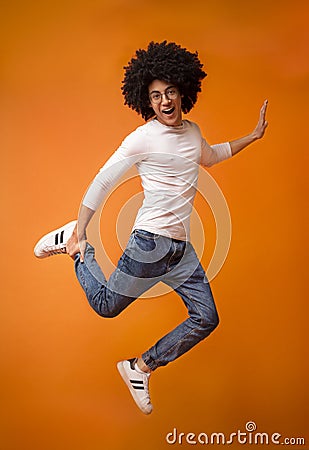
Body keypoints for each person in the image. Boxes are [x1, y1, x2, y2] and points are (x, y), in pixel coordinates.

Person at [34, 41, 268, 415]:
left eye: (170, 92)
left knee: (206, 318)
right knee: (107, 306)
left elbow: (212, 155)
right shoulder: (143, 137)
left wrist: (252, 137)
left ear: (183, 91)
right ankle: (76, 246)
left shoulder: (192, 133)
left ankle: (139, 367)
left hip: (181, 251)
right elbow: (103, 180)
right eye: (156, 96)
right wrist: (81, 226)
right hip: (150, 244)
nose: (165, 101)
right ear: (148, 102)